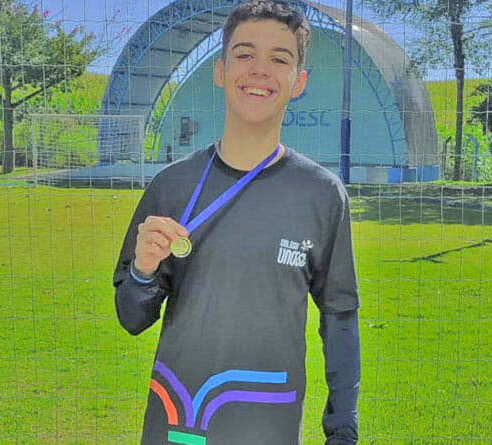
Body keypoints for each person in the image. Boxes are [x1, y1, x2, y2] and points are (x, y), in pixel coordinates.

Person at [113, 1, 360, 443]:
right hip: (179, 415)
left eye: (279, 59)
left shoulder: (321, 194)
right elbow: (131, 317)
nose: (260, 69)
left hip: (266, 421)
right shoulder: (172, 186)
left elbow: (339, 318)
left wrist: (342, 431)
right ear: (220, 71)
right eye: (245, 54)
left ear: (298, 82)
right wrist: (143, 271)